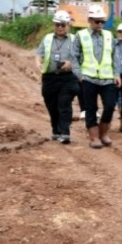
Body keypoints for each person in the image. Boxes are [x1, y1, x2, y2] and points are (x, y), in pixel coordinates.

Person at [74, 4, 120, 149]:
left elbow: (115, 56)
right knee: (90, 108)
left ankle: (104, 133)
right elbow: (74, 56)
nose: (100, 24)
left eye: (102, 21)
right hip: (88, 78)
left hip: (107, 79)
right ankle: (94, 137)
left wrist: (116, 74)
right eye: (97, 21)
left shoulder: (108, 35)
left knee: (110, 106)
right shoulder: (80, 36)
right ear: (89, 20)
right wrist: (79, 74)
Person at [35, 11, 82, 144]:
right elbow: (39, 53)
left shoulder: (74, 40)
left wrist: (71, 63)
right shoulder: (48, 38)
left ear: (68, 25)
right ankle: (56, 129)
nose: (60, 27)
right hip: (50, 77)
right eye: (57, 25)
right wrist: (38, 63)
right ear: (54, 25)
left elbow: (81, 57)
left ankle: (65, 132)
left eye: (63, 25)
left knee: (64, 103)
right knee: (51, 105)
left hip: (68, 77)